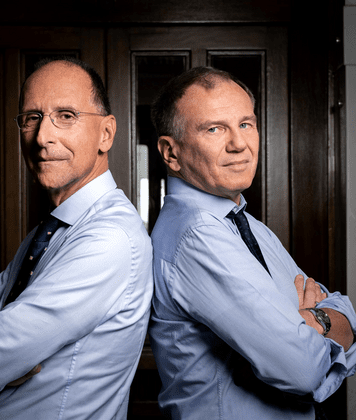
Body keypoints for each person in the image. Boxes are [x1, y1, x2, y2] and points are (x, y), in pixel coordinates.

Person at [0, 57, 153, 420]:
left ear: (106, 134)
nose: (42, 137)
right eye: (32, 118)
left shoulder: (109, 238)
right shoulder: (49, 231)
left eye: (66, 116)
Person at [148, 66, 356, 420]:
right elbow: (302, 368)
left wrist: (312, 321)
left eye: (246, 124)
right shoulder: (198, 235)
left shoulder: (248, 226)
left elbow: (348, 316)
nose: (239, 144)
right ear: (171, 153)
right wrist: (320, 324)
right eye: (214, 129)